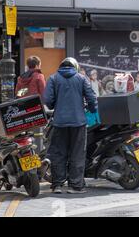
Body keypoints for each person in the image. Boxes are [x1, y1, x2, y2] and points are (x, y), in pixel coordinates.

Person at [43, 57, 98, 194]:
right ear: (75, 67)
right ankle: (75, 186)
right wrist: (92, 109)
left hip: (59, 122)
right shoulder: (81, 78)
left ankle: (58, 185)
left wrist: (55, 105)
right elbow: (91, 98)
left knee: (58, 153)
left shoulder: (53, 78)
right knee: (77, 154)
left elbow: (48, 100)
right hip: (78, 123)